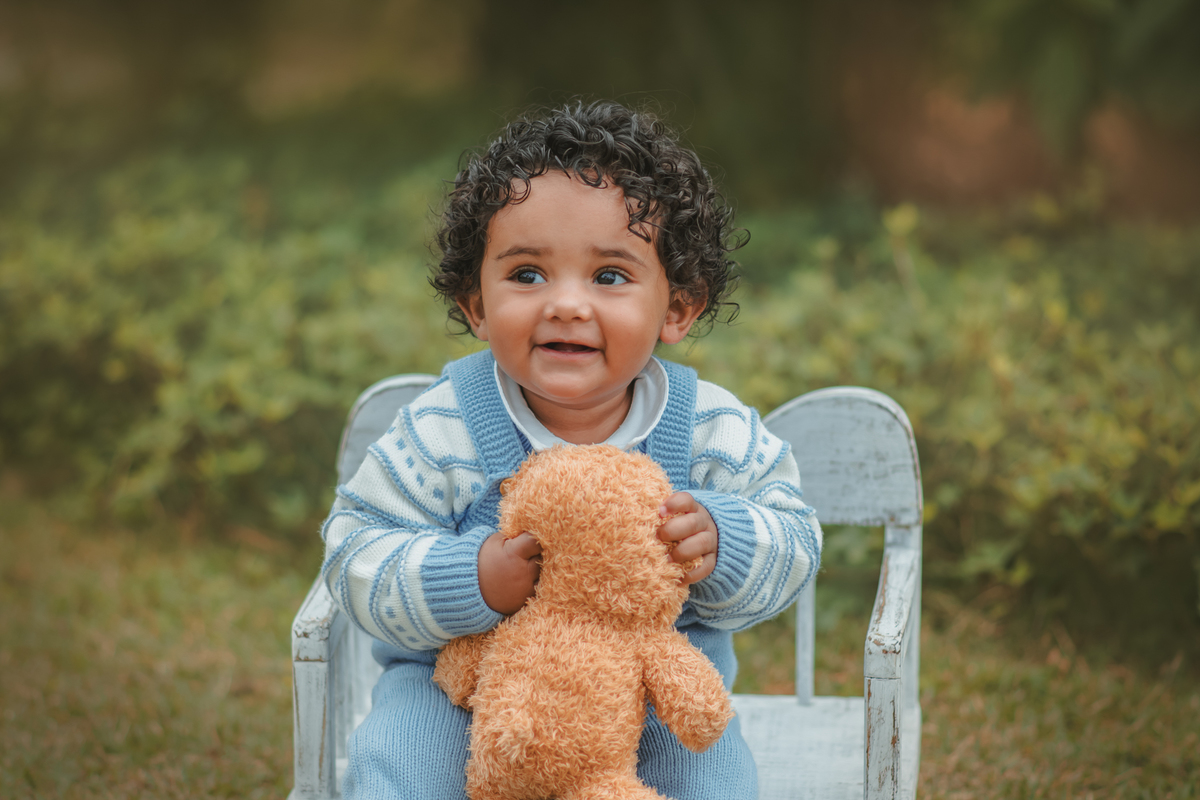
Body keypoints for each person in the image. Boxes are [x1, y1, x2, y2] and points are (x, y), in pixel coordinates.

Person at [320, 100, 822, 800]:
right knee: (399, 770)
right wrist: (470, 580)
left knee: (709, 782)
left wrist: (725, 538)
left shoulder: (708, 428)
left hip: (652, 691)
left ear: (677, 306)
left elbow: (795, 538)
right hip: (458, 691)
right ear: (476, 303)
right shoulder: (442, 429)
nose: (565, 305)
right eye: (527, 274)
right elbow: (355, 551)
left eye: (609, 276)